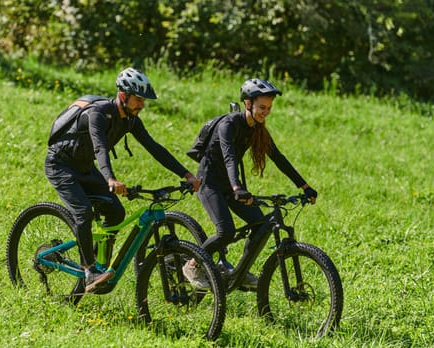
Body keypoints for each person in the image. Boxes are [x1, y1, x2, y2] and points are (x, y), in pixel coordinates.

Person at [45, 68, 200, 293]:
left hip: (85, 168)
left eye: (143, 101)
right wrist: (110, 178)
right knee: (83, 212)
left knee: (116, 212)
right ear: (123, 95)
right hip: (61, 165)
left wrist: (186, 174)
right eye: (138, 100)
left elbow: (154, 148)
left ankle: (100, 265)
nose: (142, 105)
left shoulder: (130, 120)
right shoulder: (98, 113)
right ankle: (89, 271)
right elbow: (99, 147)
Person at [182, 78, 317, 290]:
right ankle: (192, 264)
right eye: (262, 107)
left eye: (269, 108)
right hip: (209, 183)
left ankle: (239, 273)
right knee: (225, 231)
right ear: (248, 104)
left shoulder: (258, 129)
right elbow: (229, 157)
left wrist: (305, 186)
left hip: (230, 186)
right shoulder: (229, 124)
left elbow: (279, 158)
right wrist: (237, 187)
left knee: (261, 225)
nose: (266, 112)